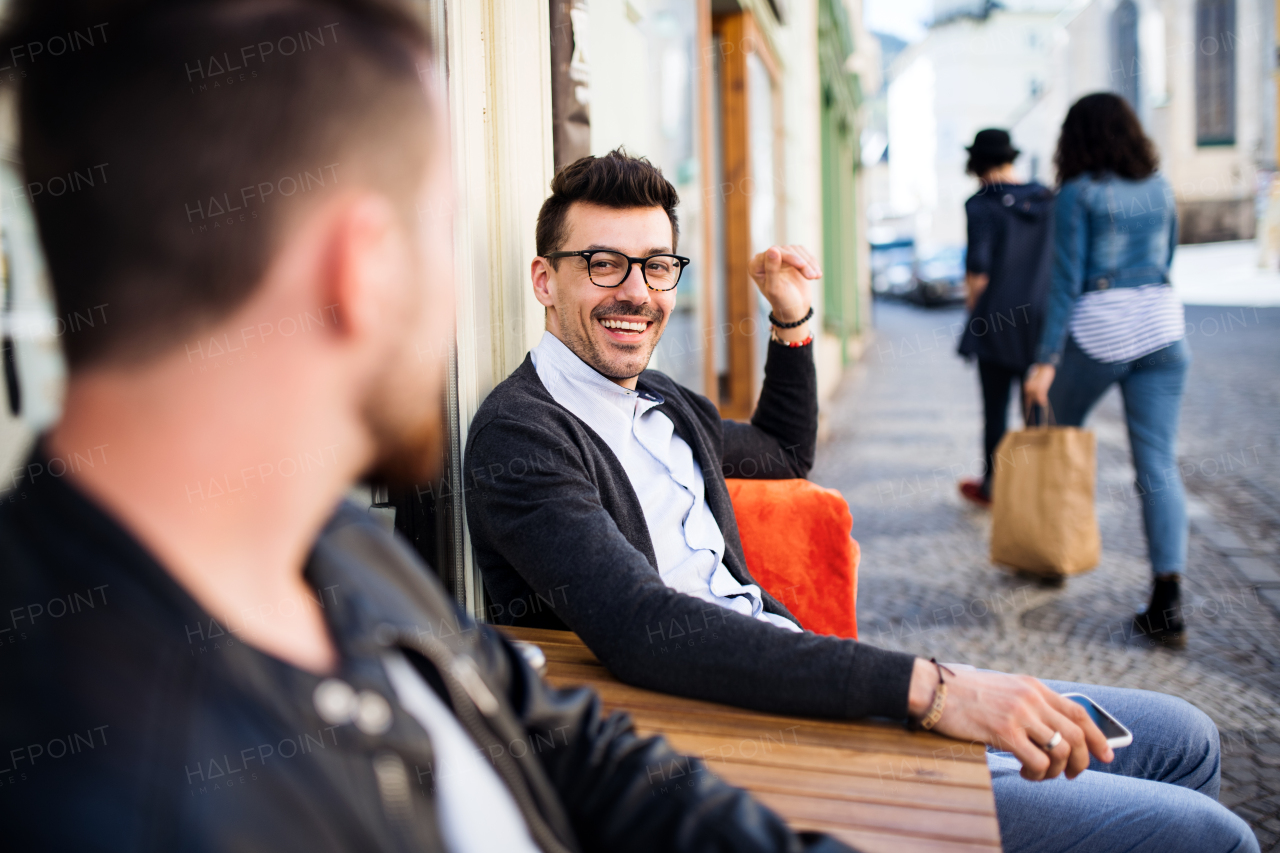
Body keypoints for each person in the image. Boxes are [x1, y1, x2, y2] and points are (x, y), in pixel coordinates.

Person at [0, 3, 864, 851]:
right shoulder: (126, 797)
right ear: (366, 266)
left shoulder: (326, 537)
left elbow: (575, 751)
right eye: (441, 232)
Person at [463, 150, 1258, 853]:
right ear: (545, 278)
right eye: (603, 264)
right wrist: (936, 688)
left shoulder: (663, 400)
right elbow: (641, 627)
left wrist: (790, 317)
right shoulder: (521, 435)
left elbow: (781, 453)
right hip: (724, 740)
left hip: (795, 676)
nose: (636, 292)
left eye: (657, 266)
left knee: (1186, 735)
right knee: (1212, 836)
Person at [1023, 93, 1191, 648]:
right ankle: (1168, 600)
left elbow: (1065, 283)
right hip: (1163, 329)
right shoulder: (1161, 186)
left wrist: (1045, 362)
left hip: (1101, 329)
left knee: (1052, 431)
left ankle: (1049, 554)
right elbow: (1166, 258)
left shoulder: (1077, 194)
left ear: (1076, 140)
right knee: (1158, 463)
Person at [955, 129, 1055, 508]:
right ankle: (1038, 489)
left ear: (976, 164)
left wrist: (972, 312)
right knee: (1037, 406)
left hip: (997, 322)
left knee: (995, 410)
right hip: (1043, 318)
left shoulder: (980, 204)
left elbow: (978, 271)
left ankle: (993, 487)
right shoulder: (1047, 199)